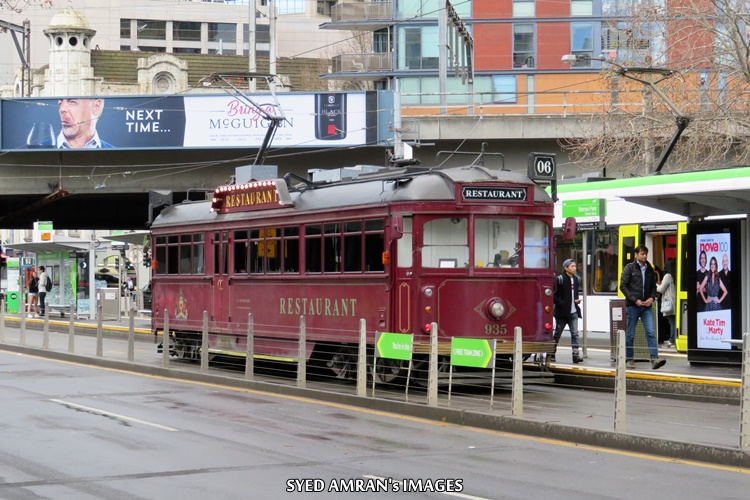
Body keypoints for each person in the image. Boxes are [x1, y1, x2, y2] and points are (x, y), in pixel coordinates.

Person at [619, 245, 666, 370]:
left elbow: (653, 286)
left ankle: (654, 359)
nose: (644, 256)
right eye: (642, 254)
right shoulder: (629, 268)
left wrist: (652, 297)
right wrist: (635, 300)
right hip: (633, 306)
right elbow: (623, 286)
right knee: (630, 334)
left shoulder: (649, 268)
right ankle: (629, 359)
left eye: (646, 254)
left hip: (646, 306)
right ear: (636, 255)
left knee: (650, 332)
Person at [552, 258, 583, 364]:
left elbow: (575, 294)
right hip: (562, 313)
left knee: (575, 334)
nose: (574, 268)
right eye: (572, 266)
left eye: (575, 266)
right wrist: (561, 303)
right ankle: (551, 353)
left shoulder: (576, 279)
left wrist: (576, 300)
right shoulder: (560, 279)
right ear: (566, 268)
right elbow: (553, 295)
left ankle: (575, 355)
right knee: (557, 334)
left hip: (573, 312)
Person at [657, 259, 677, 347]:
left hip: (669, 301)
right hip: (674, 300)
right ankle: (672, 339)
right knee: (673, 320)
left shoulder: (668, 276)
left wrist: (655, 285)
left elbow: (661, 289)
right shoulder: (674, 275)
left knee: (671, 321)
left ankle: (672, 340)